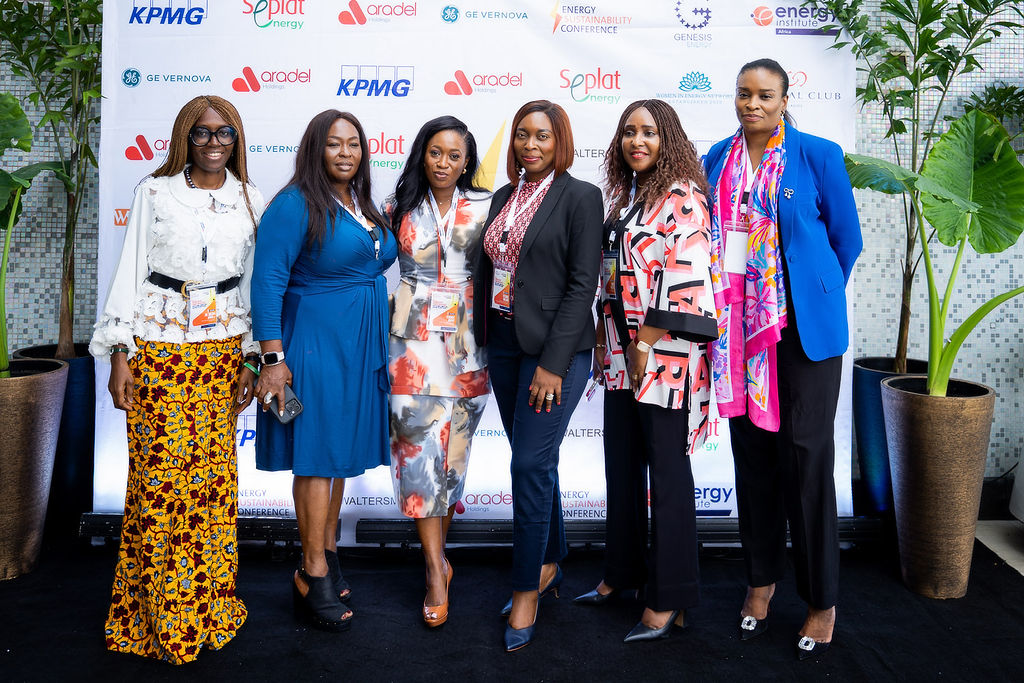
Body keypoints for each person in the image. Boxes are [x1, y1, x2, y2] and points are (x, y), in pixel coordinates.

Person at [90, 95, 263, 664]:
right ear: (184, 138)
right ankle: (155, 616)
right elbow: (128, 273)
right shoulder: (155, 192)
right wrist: (120, 353)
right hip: (159, 349)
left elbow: (252, 285)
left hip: (221, 355)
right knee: (159, 480)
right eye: (202, 133)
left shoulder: (251, 198)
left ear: (237, 140)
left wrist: (251, 358)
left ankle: (207, 608)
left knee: (212, 482)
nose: (214, 143)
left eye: (224, 133)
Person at [702, 58, 862, 660]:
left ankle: (822, 600)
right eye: (744, 94)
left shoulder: (817, 154)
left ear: (785, 99)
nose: (753, 104)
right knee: (753, 458)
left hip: (802, 331)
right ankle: (760, 580)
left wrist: (808, 295)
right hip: (739, 333)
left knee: (806, 457)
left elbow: (846, 239)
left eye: (765, 95)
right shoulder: (716, 158)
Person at [575, 99, 719, 642]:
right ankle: (623, 572)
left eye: (650, 132)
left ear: (669, 139)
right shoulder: (630, 196)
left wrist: (645, 343)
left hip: (663, 356)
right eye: (629, 132)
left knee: (668, 472)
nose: (638, 141)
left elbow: (688, 279)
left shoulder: (683, 198)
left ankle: (670, 597)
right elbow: (614, 273)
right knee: (622, 464)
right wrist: (603, 334)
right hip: (620, 351)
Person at [250, 110, 397, 632]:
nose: (345, 153)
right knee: (314, 456)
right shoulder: (294, 204)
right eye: (334, 144)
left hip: (357, 346)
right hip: (312, 344)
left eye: (354, 144)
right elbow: (267, 281)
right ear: (315, 148)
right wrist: (273, 361)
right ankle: (310, 571)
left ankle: (328, 553)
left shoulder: (361, 202)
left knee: (334, 455)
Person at [471, 100, 603, 651]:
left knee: (527, 463)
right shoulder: (504, 195)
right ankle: (549, 563)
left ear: (560, 141)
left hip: (555, 352)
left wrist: (552, 363)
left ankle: (526, 588)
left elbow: (582, 284)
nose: (530, 145)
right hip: (504, 343)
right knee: (537, 460)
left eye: (542, 136)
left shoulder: (581, 196)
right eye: (523, 135)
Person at [386, 116, 492, 627]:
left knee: (451, 463)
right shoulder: (397, 206)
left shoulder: (488, 206)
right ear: (421, 155)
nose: (444, 163)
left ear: (467, 160)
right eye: (435, 152)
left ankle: (439, 558)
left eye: (454, 155)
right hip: (412, 347)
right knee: (417, 459)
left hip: (468, 345)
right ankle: (433, 570)